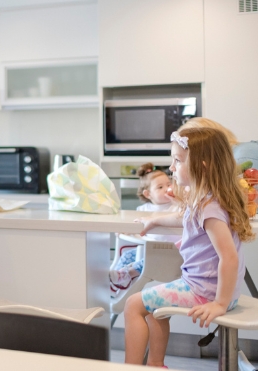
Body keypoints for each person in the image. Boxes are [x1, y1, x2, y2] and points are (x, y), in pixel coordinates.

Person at [124, 127, 254, 367]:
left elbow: (230, 258)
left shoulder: (209, 209)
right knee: (152, 308)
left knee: (133, 305)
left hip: (205, 291)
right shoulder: (206, 199)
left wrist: (220, 304)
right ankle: (155, 364)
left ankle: (130, 368)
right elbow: (183, 219)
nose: (172, 167)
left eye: (177, 160)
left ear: (201, 166)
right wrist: (154, 221)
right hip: (208, 288)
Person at [109, 163, 178, 294]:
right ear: (148, 194)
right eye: (160, 187)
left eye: (169, 184)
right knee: (127, 255)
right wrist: (125, 229)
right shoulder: (143, 210)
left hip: (168, 251)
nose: (167, 189)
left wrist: (178, 200)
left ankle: (128, 273)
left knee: (146, 261)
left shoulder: (175, 207)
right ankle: (117, 278)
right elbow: (134, 224)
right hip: (147, 247)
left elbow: (182, 214)